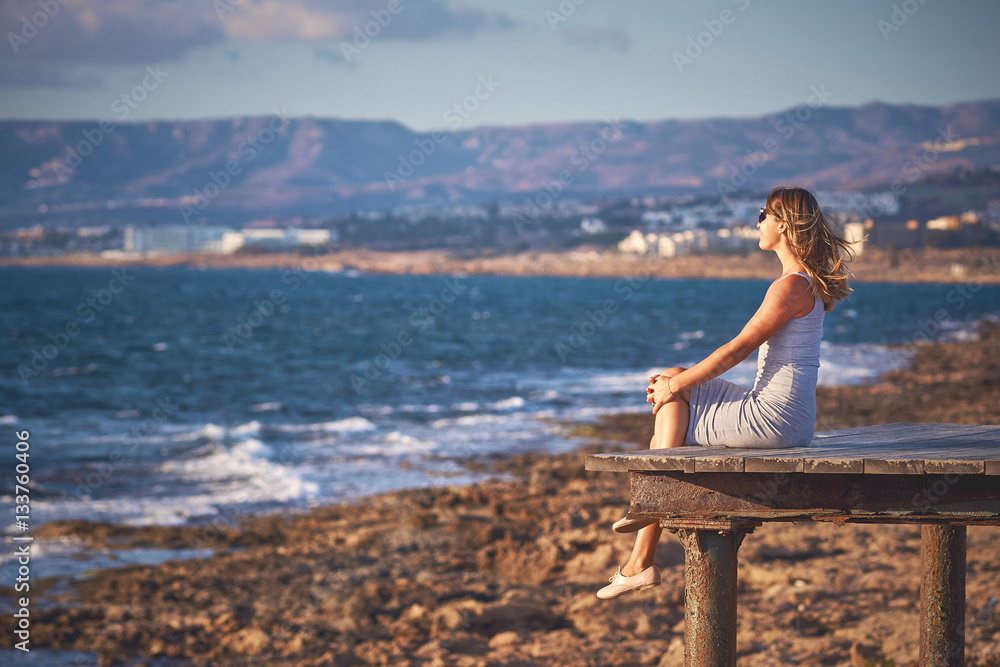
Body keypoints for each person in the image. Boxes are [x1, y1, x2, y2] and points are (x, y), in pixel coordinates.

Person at [597, 186, 858, 599]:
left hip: (775, 420)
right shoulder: (800, 283)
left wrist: (674, 387)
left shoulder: (788, 287)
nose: (757, 222)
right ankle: (639, 554)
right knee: (671, 399)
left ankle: (648, 519)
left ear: (783, 225)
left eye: (762, 215)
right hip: (791, 418)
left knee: (673, 398)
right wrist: (674, 383)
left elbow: (736, 350)